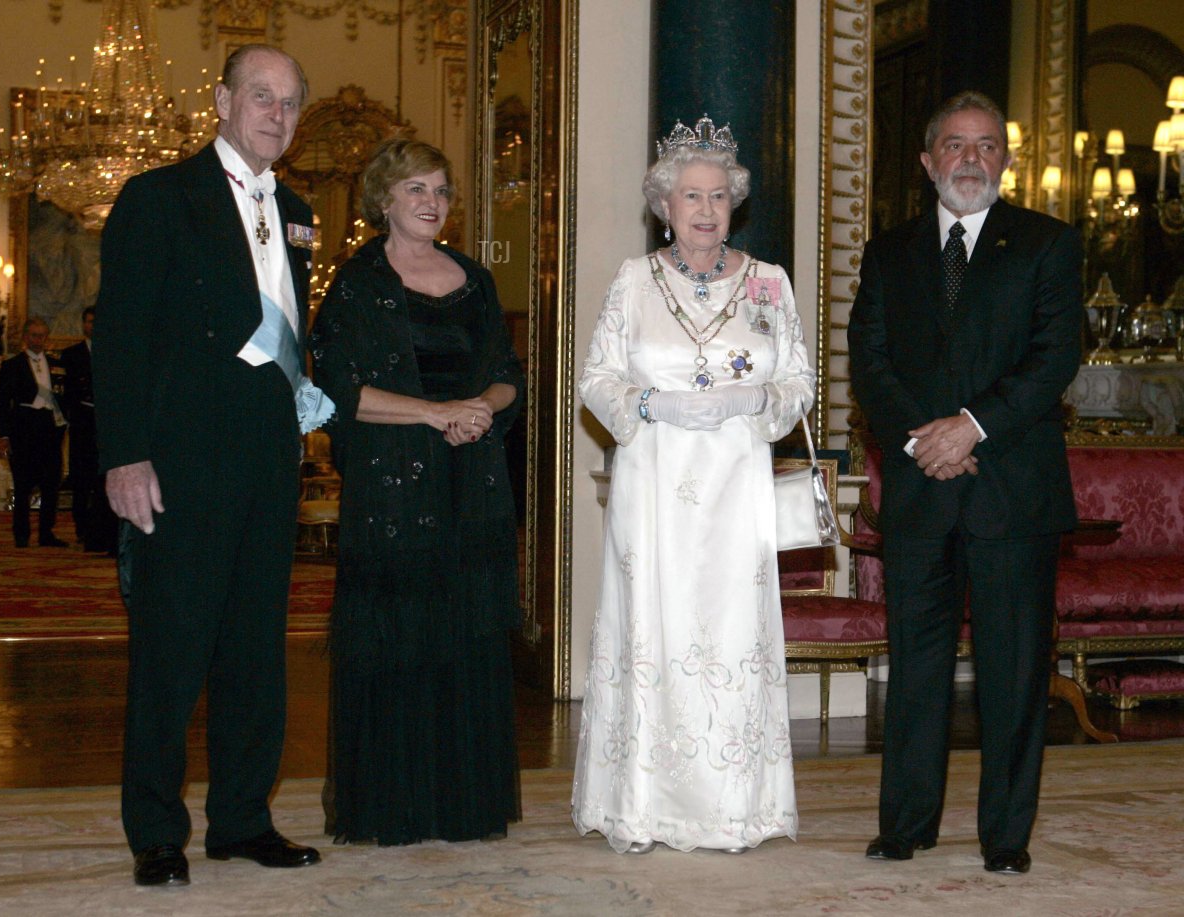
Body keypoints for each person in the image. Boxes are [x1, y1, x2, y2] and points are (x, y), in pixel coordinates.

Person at [93, 44, 327, 887]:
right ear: (223, 101)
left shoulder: (296, 208)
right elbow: (118, 333)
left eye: (291, 101)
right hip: (181, 459)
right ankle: (156, 830)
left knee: (256, 651)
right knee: (171, 650)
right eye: (261, 96)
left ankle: (241, 817)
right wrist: (125, 453)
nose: (276, 112)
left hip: (268, 461)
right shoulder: (160, 198)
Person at [847, 91, 1083, 876]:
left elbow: (1053, 357)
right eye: (955, 144)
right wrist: (927, 439)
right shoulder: (888, 252)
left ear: (1006, 160)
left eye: (987, 145)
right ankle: (905, 825)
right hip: (921, 486)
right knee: (915, 668)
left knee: (1014, 671)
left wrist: (970, 426)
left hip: (1011, 488)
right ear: (927, 161)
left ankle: (1005, 836)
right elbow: (869, 361)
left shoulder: (1048, 245)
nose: (971, 159)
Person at [572, 116, 816, 854]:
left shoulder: (769, 283)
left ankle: (737, 805)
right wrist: (652, 404)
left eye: (718, 196)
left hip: (737, 482)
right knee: (656, 624)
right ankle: (645, 805)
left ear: (734, 203)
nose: (706, 210)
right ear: (663, 206)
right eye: (690, 197)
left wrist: (758, 402)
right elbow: (596, 380)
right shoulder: (633, 281)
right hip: (655, 481)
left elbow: (799, 380)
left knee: (731, 629)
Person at [310, 137, 524, 846]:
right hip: (395, 488)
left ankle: (461, 804)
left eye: (439, 190)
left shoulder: (475, 279)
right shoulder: (358, 282)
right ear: (385, 200)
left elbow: (505, 375)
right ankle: (394, 806)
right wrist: (433, 412)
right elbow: (338, 391)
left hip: (472, 482)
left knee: (463, 639)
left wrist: (480, 409)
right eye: (415, 190)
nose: (431, 202)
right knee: (399, 641)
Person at [0, 317, 68, 548]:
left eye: (42, 336)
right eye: (34, 335)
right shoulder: (12, 365)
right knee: (23, 483)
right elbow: (3, 403)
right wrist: (4, 436)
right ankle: (21, 534)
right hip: (24, 429)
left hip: (50, 428)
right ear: (26, 337)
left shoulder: (56, 364)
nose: (38, 340)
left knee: (51, 483)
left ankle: (46, 533)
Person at [60, 307, 117, 554]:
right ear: (83, 324)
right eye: (90, 322)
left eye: (97, 321)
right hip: (83, 423)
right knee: (81, 478)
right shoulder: (70, 355)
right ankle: (82, 527)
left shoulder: (112, 353)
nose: (93, 326)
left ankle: (102, 530)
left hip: (106, 424)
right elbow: (63, 392)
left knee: (104, 477)